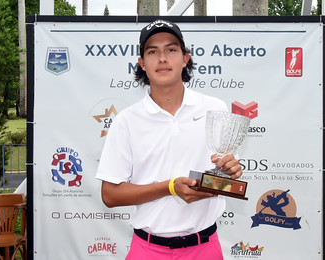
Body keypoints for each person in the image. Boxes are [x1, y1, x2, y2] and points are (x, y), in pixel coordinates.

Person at [96, 19, 243, 259]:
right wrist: (170, 187)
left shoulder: (214, 108)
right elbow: (110, 195)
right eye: (153, 51)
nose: (162, 58)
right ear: (142, 63)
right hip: (148, 249)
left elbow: (225, 180)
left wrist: (231, 171)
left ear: (186, 58)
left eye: (171, 49)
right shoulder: (127, 120)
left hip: (204, 248)